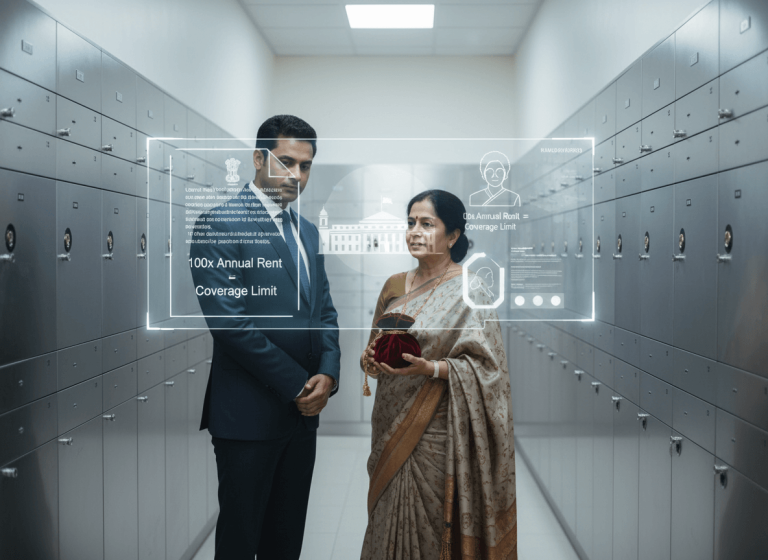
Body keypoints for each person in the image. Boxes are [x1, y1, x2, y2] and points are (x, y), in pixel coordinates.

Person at [189, 115, 341, 560]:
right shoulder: (220, 224)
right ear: (258, 159)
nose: (297, 175)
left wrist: (328, 374)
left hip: (302, 419)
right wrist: (299, 385)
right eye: (286, 162)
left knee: (286, 540)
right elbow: (231, 325)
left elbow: (325, 312)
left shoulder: (308, 232)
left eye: (306, 166)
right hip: (249, 419)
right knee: (240, 541)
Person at [360, 189, 517, 559]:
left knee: (432, 521)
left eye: (427, 224)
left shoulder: (471, 289)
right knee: (387, 514)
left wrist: (430, 368)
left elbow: (489, 369)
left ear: (452, 236)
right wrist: (369, 358)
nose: (415, 231)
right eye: (411, 223)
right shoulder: (394, 286)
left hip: (437, 430)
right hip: (390, 420)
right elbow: (370, 352)